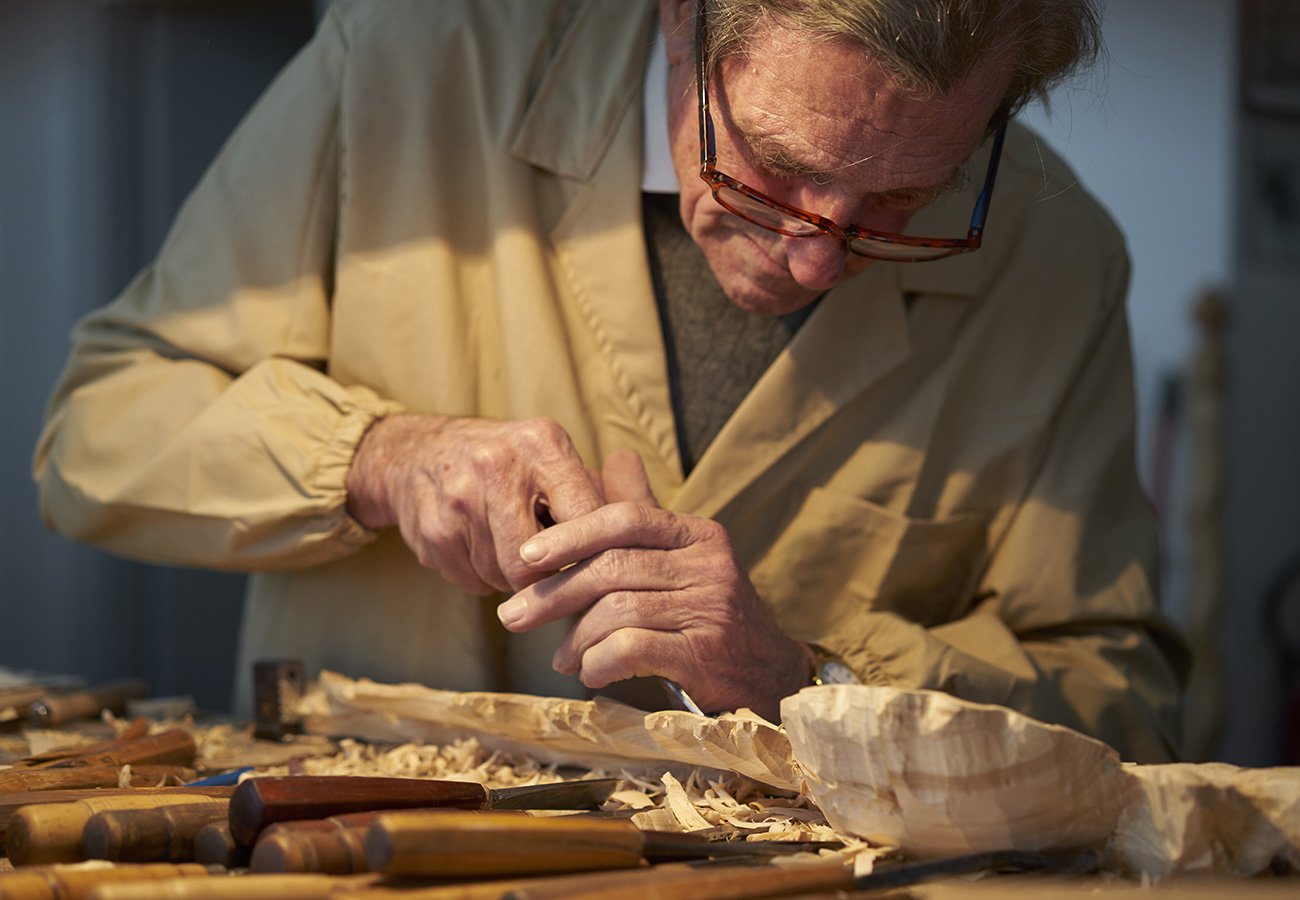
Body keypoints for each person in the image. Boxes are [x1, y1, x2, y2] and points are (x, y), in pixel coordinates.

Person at [33, 0, 1188, 761]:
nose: (817, 257)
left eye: (903, 201)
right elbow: (99, 432)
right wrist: (379, 459)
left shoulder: (1057, 257)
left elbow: (1120, 700)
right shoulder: (406, 67)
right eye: (772, 173)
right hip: (363, 858)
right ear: (683, 23)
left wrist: (808, 675)